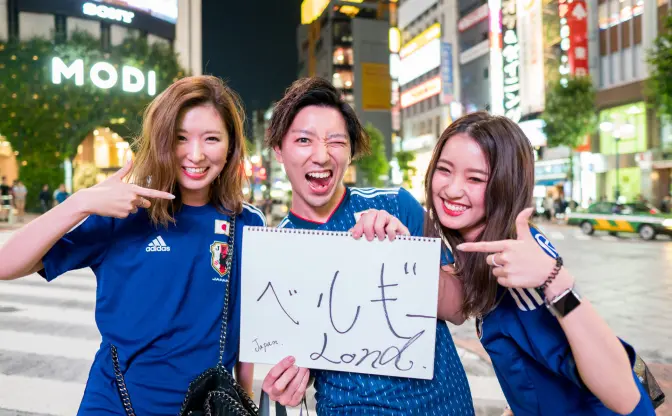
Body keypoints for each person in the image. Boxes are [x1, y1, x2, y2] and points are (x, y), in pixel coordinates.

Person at [0, 76, 262, 414]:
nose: (195, 155)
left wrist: (244, 398)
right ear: (161, 141)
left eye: (211, 138)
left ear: (230, 147)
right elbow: (6, 264)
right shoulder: (123, 210)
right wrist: (80, 202)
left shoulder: (246, 224)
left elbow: (246, 327)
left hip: (205, 407)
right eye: (180, 138)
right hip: (115, 403)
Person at [260, 78, 474, 415]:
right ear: (278, 151)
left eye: (336, 142)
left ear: (350, 152)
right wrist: (288, 384)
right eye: (304, 140)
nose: (321, 155)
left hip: (444, 404)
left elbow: (460, 308)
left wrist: (405, 254)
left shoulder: (397, 204)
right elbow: (302, 356)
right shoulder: (277, 252)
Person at [423, 111, 655, 415]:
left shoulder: (520, 265)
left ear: (505, 185)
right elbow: (456, 306)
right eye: (444, 170)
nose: (452, 189)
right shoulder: (483, 252)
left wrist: (554, 279)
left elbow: (625, 396)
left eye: (475, 178)